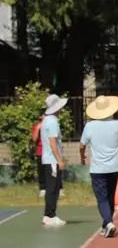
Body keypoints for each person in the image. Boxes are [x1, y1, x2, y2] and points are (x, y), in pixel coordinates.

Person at [80, 96, 118, 237]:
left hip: (97, 169)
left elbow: (82, 145)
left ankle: (109, 222)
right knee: (110, 196)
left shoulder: (90, 126)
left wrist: (82, 157)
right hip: (114, 168)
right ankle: (106, 224)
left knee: (102, 198)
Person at [41, 94, 68, 227]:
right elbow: (53, 143)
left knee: (53, 188)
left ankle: (49, 214)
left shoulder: (47, 120)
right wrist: (59, 160)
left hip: (49, 159)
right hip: (52, 160)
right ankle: (50, 215)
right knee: (53, 188)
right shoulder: (52, 122)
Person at [31, 113, 46, 196]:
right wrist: (38, 128)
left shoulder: (51, 124)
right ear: (40, 116)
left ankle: (58, 188)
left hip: (51, 151)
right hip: (41, 151)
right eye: (44, 115)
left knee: (54, 170)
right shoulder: (36, 126)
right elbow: (34, 139)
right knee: (41, 170)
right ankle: (42, 188)